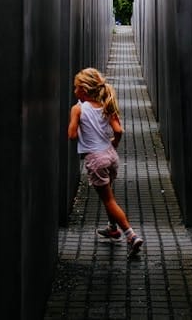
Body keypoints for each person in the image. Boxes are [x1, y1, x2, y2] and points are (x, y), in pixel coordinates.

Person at [67, 67, 144, 258]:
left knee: (108, 200)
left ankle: (130, 235)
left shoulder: (78, 109)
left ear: (84, 89)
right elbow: (118, 131)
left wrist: (76, 122)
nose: (74, 91)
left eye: (76, 88)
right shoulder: (106, 106)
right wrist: (114, 145)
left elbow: (71, 135)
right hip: (110, 156)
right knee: (108, 196)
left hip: (95, 159)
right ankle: (112, 228)